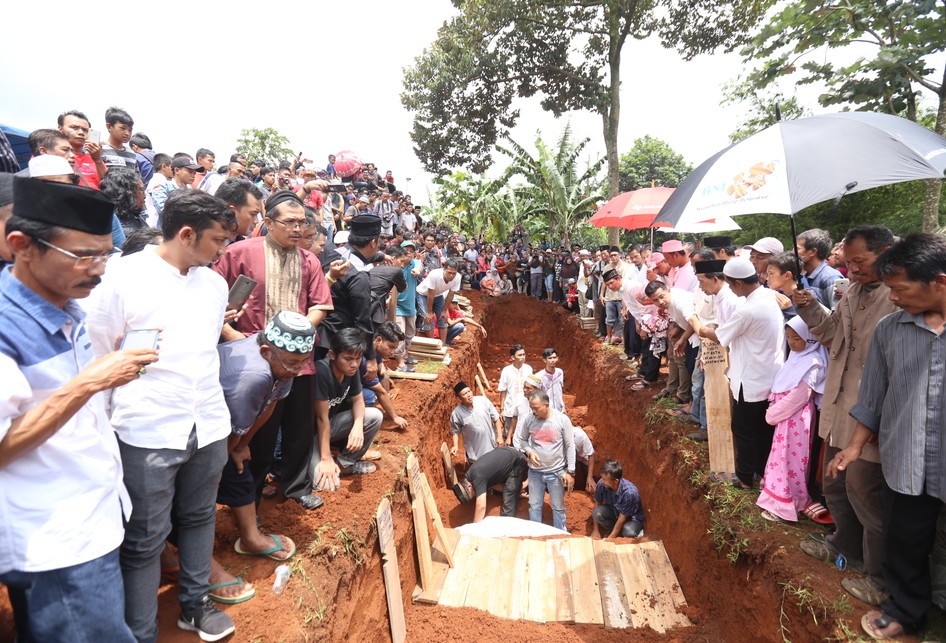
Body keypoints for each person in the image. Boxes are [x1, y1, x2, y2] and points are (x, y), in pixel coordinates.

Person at [0, 178, 158, 643]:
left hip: (93, 512)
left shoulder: (68, 306)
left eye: (105, 255)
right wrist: (91, 381)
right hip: (54, 539)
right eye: (83, 256)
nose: (98, 270)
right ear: (21, 245)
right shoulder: (6, 330)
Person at [84, 189, 237, 642]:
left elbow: (207, 348)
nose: (223, 251)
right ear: (186, 234)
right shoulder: (120, 277)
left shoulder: (213, 283)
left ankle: (194, 604)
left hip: (206, 422)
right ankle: (140, 630)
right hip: (146, 427)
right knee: (145, 538)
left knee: (198, 517)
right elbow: (99, 355)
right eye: (217, 241)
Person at [830, 233, 946, 639]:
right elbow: (873, 395)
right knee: (905, 542)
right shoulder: (890, 330)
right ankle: (905, 610)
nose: (893, 298)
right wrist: (855, 446)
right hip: (907, 459)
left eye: (899, 288)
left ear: (939, 282)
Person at [793, 225, 896, 606]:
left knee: (868, 495)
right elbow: (833, 335)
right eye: (848, 262)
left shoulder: (898, 297)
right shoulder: (853, 291)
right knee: (835, 484)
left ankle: (880, 578)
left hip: (870, 421)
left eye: (860, 262)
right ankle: (843, 544)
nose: (851, 269)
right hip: (838, 408)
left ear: (885, 252)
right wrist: (807, 306)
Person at [212, 191, 333, 511]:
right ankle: (248, 492)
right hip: (253, 359)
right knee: (258, 432)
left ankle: (295, 487)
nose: (297, 228)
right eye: (289, 222)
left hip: (298, 361)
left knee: (298, 428)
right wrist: (232, 335)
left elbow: (320, 304)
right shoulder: (238, 252)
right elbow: (212, 300)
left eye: (302, 222)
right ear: (268, 223)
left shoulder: (309, 260)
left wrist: (298, 334)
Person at [201, 311, 315, 604]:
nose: (298, 369)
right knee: (195, 499)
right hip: (196, 432)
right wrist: (212, 473)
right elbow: (231, 431)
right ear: (266, 351)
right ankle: (196, 564)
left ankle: (251, 538)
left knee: (240, 467)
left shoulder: (283, 364)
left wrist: (241, 446)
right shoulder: (254, 374)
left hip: (225, 429)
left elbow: (270, 404)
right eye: (292, 364)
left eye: (303, 362)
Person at [699, 258, 785, 490]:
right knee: (764, 429)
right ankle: (762, 471)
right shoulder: (767, 296)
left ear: (737, 284)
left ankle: (746, 478)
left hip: (751, 378)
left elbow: (719, 335)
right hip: (770, 375)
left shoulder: (747, 310)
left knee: (744, 429)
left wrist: (702, 329)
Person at [756, 316, 828, 522]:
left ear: (810, 339)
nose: (791, 342)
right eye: (788, 337)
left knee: (791, 460)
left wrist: (773, 414)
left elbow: (800, 396)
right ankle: (776, 494)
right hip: (785, 418)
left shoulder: (813, 362)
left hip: (795, 419)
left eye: (796, 338)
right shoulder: (796, 357)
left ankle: (785, 503)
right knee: (781, 456)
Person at [310, 328, 384, 495]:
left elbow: (358, 400)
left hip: (331, 425)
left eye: (358, 359)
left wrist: (358, 426)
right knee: (326, 485)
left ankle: (346, 463)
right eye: (348, 359)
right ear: (332, 355)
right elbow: (322, 419)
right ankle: (327, 462)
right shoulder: (321, 372)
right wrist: (325, 459)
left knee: (374, 416)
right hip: (310, 435)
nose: (354, 364)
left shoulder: (351, 370)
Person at [514, 389, 576, 531]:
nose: (533, 411)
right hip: (535, 473)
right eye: (531, 408)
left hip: (556, 472)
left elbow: (570, 446)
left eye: (535, 408)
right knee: (534, 505)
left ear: (546, 405)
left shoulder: (562, 420)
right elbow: (522, 440)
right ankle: (537, 533)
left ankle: (560, 533)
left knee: (558, 507)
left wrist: (571, 472)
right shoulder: (529, 420)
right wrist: (530, 452)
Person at [453, 447, 528, 523]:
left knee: (509, 497)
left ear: (469, 487)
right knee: (509, 490)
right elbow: (494, 485)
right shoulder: (471, 473)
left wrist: (475, 527)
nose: (475, 495)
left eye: (472, 494)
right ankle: (519, 490)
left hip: (517, 461)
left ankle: (506, 524)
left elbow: (481, 506)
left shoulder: (477, 478)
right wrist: (515, 491)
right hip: (507, 455)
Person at [360, 322, 409, 430]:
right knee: (370, 395)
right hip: (347, 393)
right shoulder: (365, 361)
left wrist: (384, 373)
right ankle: (362, 425)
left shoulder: (375, 350)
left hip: (361, 382)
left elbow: (380, 366)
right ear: (378, 340)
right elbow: (380, 392)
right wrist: (395, 417)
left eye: (394, 348)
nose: (392, 352)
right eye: (391, 347)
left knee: (384, 378)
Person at [450, 381, 503, 463]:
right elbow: (455, 431)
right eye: (464, 394)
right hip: (475, 456)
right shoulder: (457, 413)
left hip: (493, 448)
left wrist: (499, 436)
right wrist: (455, 446)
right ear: (459, 398)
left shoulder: (483, 401)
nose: (468, 395)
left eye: (469, 391)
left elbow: (496, 418)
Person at [591, 460, 644, 539]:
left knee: (629, 532)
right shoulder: (602, 484)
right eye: (602, 478)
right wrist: (595, 530)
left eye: (605, 479)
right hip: (615, 512)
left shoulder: (629, 493)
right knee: (597, 513)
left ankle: (623, 534)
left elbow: (623, 518)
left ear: (616, 481)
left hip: (630, 518)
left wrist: (610, 539)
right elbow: (597, 503)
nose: (602, 481)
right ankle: (614, 530)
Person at [58, 109, 106, 188]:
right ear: (60, 129)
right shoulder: (50, 155)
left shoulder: (95, 159)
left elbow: (108, 185)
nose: (81, 133)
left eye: (85, 130)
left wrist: (98, 160)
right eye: (74, 127)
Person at [796, 228, 843, 307]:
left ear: (812, 252)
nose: (792, 252)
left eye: (797, 248)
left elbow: (838, 315)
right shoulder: (803, 276)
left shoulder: (830, 277)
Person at [416, 259, 461, 339]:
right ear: (444, 269)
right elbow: (430, 295)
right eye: (449, 272)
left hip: (438, 295)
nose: (451, 275)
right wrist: (429, 312)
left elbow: (450, 295)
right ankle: (432, 344)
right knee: (428, 319)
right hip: (423, 294)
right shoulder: (434, 274)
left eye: (454, 273)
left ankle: (442, 345)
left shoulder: (458, 277)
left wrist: (444, 311)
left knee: (443, 318)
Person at [497, 344, 534, 439]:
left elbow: (532, 388)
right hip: (510, 407)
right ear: (513, 357)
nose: (523, 357)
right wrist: (502, 410)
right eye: (520, 355)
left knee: (525, 434)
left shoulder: (528, 369)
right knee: (507, 433)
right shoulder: (506, 371)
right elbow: (503, 390)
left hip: (525, 407)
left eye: (524, 354)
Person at [99, 107, 139, 173]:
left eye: (130, 130)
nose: (127, 133)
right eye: (123, 128)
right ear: (109, 127)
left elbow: (137, 179)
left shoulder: (132, 154)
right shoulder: (98, 149)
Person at [538, 347, 565, 412]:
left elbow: (560, 391)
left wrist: (563, 406)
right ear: (544, 360)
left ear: (557, 358)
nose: (553, 360)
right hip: (547, 411)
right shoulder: (539, 376)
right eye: (550, 358)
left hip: (560, 410)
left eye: (554, 357)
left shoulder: (560, 372)